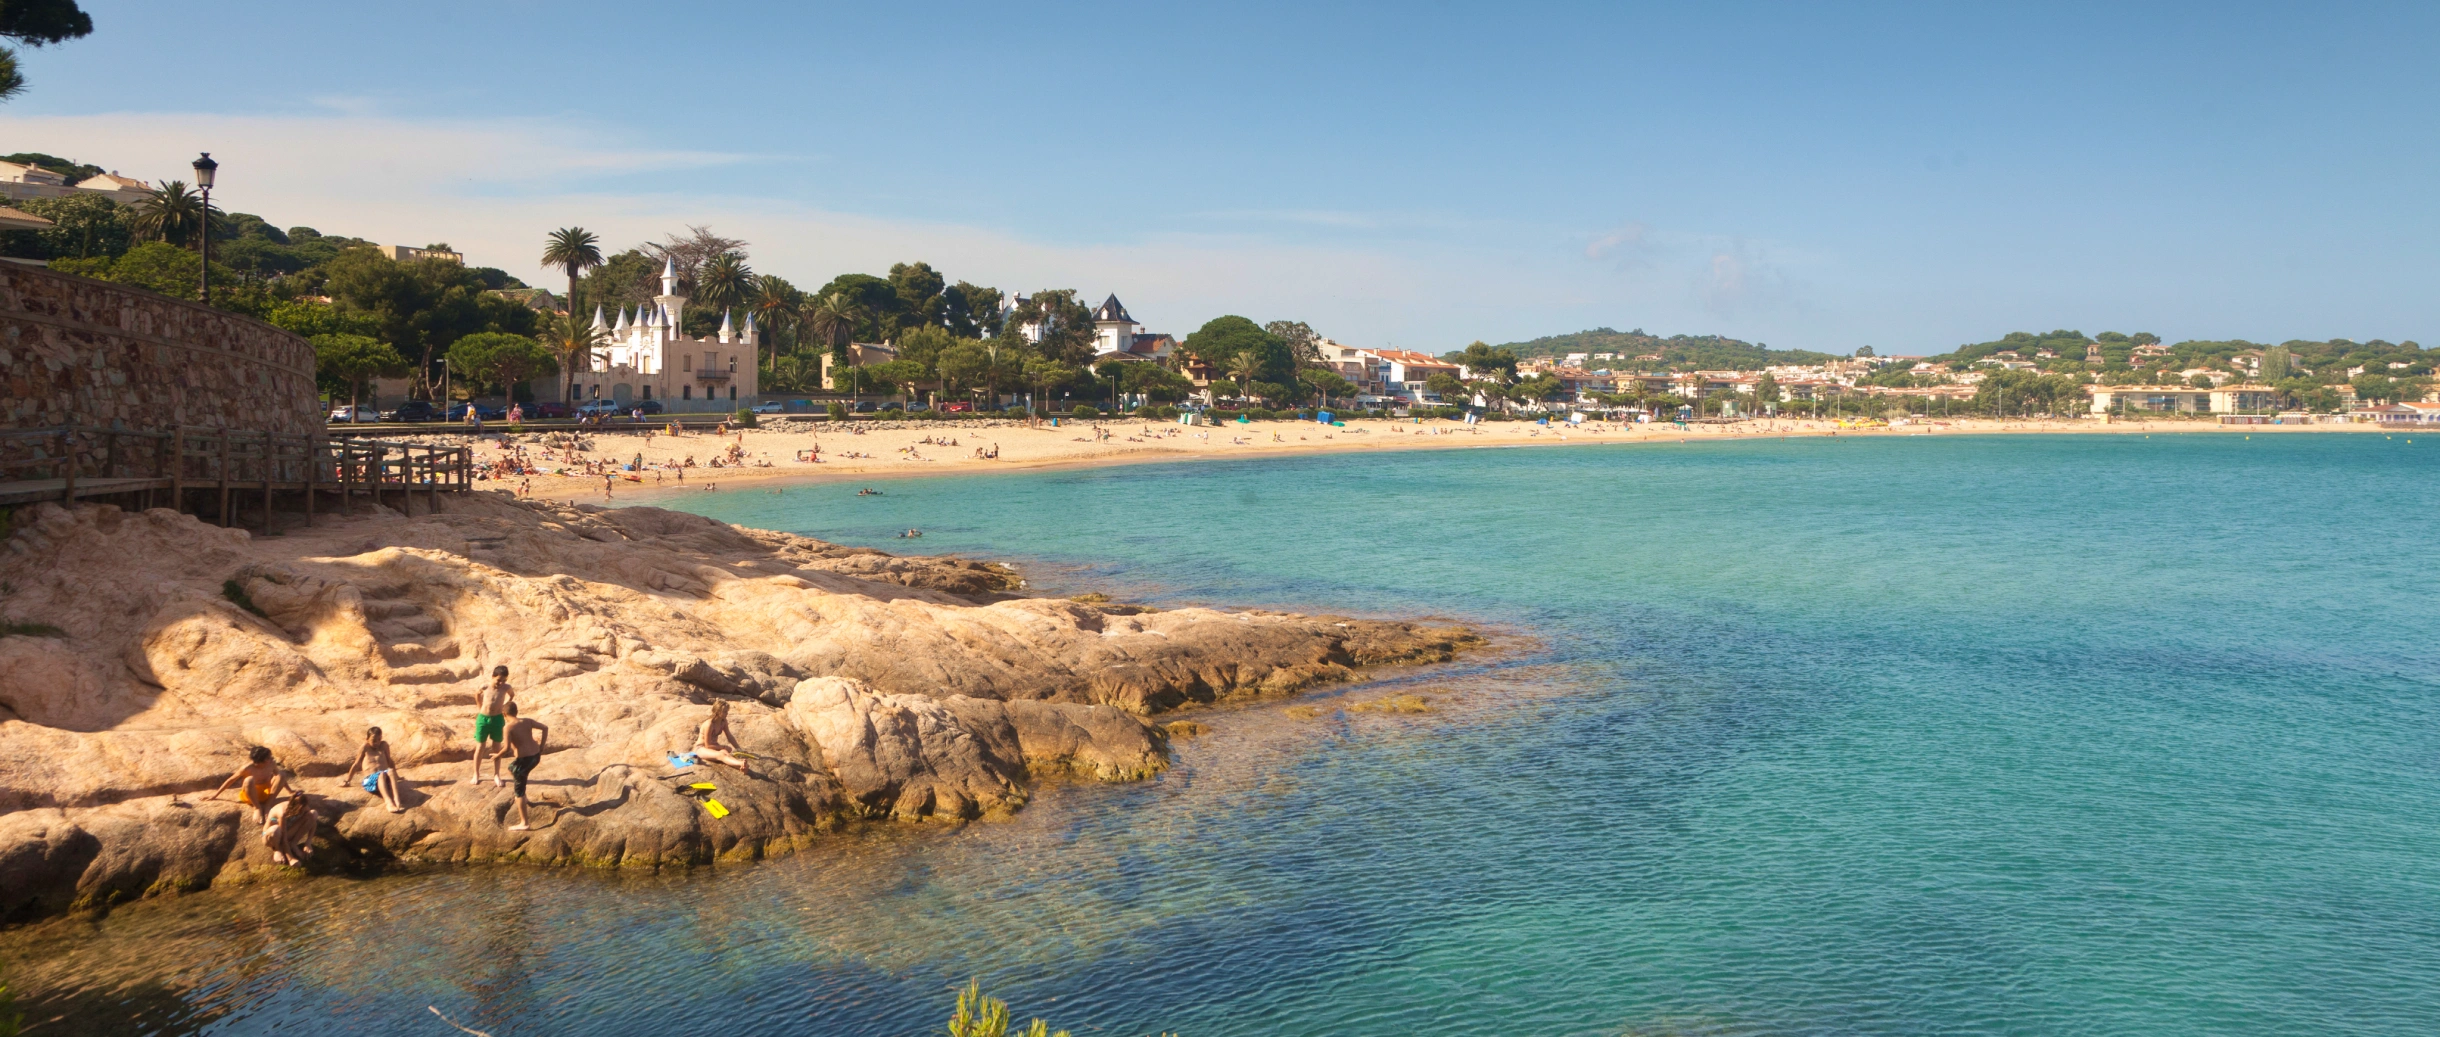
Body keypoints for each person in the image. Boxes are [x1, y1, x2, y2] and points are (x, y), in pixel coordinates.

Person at [205, 746, 293, 823]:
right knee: (249, 780)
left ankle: (268, 805)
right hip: (250, 796)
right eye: (269, 758)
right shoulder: (247, 768)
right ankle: (257, 808)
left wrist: (290, 791)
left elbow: (280, 779)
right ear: (261, 760)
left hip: (266, 793)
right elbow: (231, 780)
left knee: (281, 774)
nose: (272, 759)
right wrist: (215, 795)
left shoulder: (271, 764)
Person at [502, 702, 549, 831]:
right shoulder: (527, 721)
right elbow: (545, 728)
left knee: (518, 792)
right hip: (535, 756)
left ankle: (524, 823)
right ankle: (524, 795)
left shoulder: (508, 727)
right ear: (516, 712)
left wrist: (497, 755)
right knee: (511, 768)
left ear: (504, 714)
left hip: (524, 761)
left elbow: (506, 748)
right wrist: (542, 746)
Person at [468, 665, 516, 786]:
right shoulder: (485, 686)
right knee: (480, 747)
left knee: (496, 747)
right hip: (483, 719)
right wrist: (479, 708)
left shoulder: (506, 687)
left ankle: (496, 774)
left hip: (498, 719)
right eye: (498, 680)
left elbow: (512, 695)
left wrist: (505, 706)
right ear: (493, 676)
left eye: (504, 680)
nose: (501, 683)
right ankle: (476, 773)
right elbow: (477, 694)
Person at [345, 726, 407, 813]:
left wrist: (397, 776)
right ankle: (388, 802)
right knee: (380, 774)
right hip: (370, 781)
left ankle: (397, 800)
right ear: (367, 739)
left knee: (390, 771)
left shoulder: (384, 745)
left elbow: (390, 761)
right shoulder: (365, 747)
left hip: (384, 778)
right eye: (374, 740)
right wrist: (348, 780)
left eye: (379, 739)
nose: (377, 742)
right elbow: (356, 764)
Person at [689, 699, 752, 776]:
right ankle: (740, 763)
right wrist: (723, 746)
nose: (727, 713)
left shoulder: (723, 721)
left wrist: (739, 749)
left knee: (725, 753)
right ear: (718, 712)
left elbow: (729, 736)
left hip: (714, 746)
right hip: (701, 748)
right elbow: (707, 745)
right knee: (721, 755)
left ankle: (742, 767)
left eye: (727, 711)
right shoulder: (709, 724)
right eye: (725, 711)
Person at [262, 787, 318, 867]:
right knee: (275, 830)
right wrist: (291, 859)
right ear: (294, 807)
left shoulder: (304, 808)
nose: (303, 811)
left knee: (313, 813)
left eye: (304, 808)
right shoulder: (282, 813)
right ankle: (277, 849)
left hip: (287, 831)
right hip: (271, 837)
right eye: (300, 810)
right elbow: (284, 838)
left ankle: (293, 843)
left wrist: (308, 842)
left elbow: (313, 822)